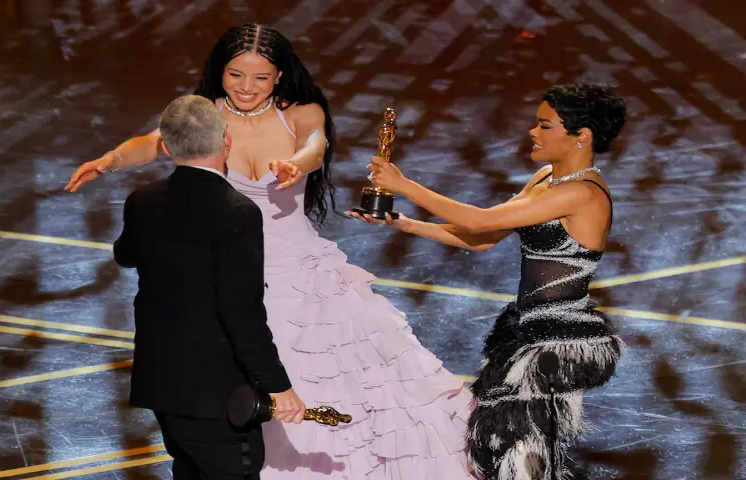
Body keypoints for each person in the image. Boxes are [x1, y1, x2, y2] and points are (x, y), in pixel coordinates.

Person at [69, 24, 476, 479]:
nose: (245, 87)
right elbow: (151, 142)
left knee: (348, 385)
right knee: (234, 387)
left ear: (279, 76)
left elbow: (315, 148)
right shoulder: (206, 117)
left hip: (301, 278)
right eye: (235, 74)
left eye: (259, 77)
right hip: (233, 272)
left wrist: (294, 164)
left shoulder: (300, 112)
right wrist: (108, 160)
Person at [349, 84, 627, 479]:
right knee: (501, 445)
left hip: (555, 344)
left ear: (582, 135)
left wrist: (405, 185)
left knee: (523, 452)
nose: (533, 132)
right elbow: (481, 238)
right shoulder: (545, 178)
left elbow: (479, 220)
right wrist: (405, 223)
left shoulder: (582, 193)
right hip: (524, 333)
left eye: (545, 125)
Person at [113, 94, 306, 479]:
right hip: (217, 392)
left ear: (166, 147)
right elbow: (241, 310)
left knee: (187, 469)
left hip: (164, 384)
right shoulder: (236, 212)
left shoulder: (142, 201)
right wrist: (277, 385)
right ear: (227, 140)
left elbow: (125, 254)